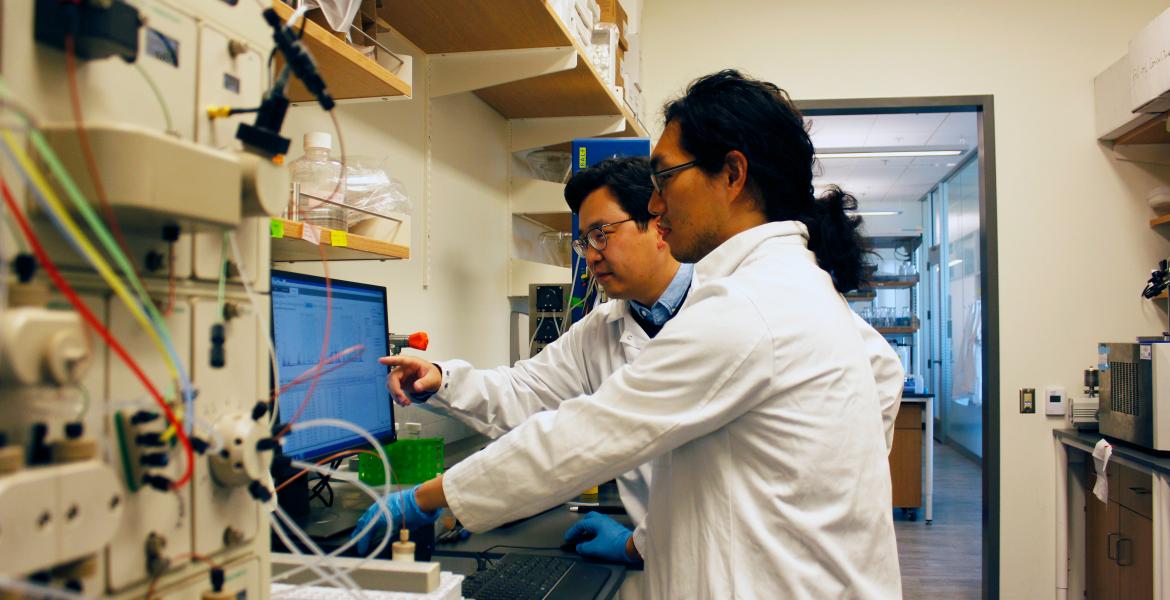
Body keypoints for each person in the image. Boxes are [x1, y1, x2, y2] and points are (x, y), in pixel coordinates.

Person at [358, 69, 904, 598]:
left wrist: (427, 499)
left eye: (665, 178)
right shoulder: (787, 286)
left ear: (732, 175)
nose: (658, 202)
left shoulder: (750, 305)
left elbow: (584, 435)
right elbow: (534, 396)